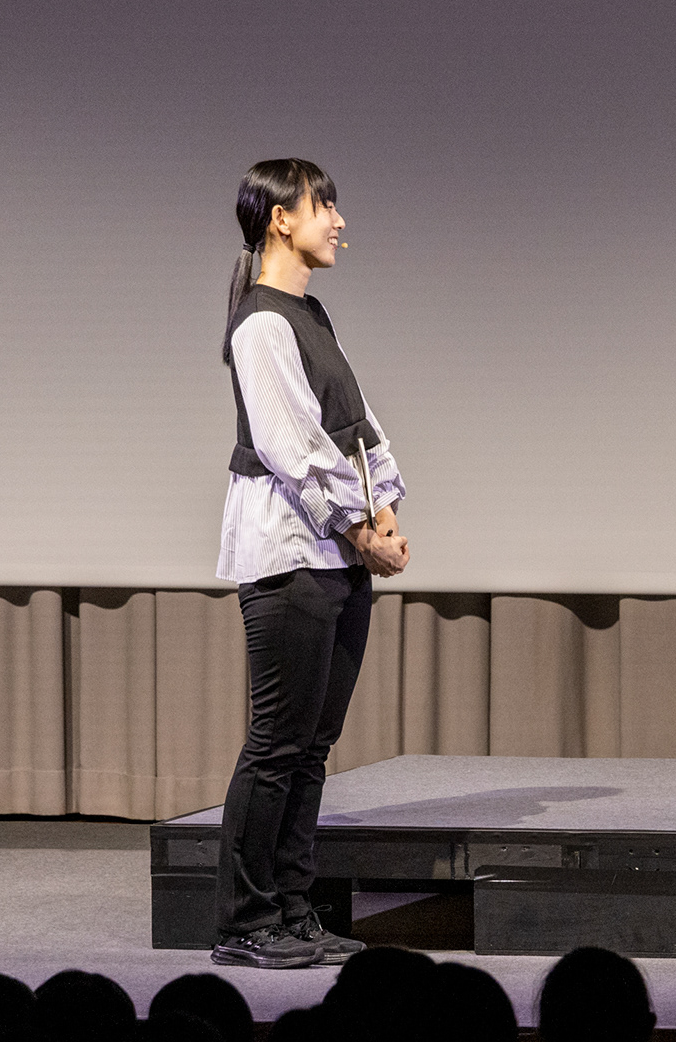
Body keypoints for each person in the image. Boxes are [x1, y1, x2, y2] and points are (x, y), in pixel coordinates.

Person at [211, 158, 411, 969]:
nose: (338, 221)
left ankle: (294, 911)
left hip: (334, 555)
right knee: (277, 744)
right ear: (280, 219)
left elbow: (355, 425)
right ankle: (246, 921)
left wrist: (384, 506)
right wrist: (362, 532)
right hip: (290, 556)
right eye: (324, 205)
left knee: (311, 747)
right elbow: (292, 449)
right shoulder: (262, 323)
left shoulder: (310, 314)